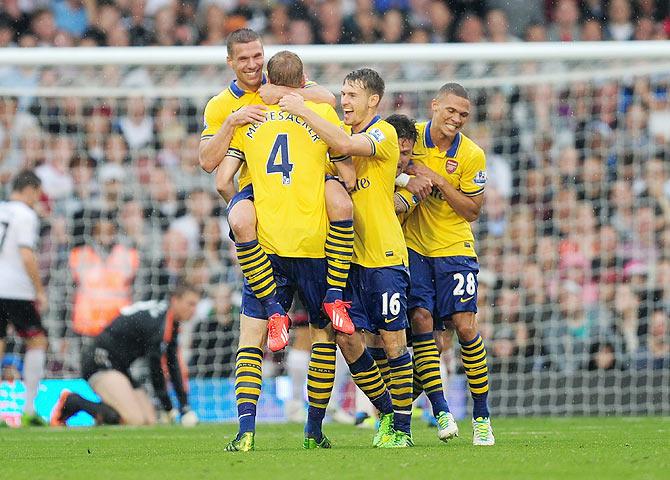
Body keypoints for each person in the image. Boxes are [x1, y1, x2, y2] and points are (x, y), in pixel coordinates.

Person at [219, 51, 395, 452]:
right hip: (317, 246)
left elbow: (222, 179)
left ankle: (245, 432)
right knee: (328, 340)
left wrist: (247, 202)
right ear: (302, 83)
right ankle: (323, 429)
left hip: (267, 249)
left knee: (251, 338)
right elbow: (348, 178)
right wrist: (332, 176)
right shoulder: (321, 116)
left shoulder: (249, 119)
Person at [280, 68, 415, 448]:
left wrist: (303, 108)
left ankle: (401, 429)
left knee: (393, 342)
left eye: (353, 94)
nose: (345, 101)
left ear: (373, 100)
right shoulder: (336, 136)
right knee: (343, 337)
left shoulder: (383, 132)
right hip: (343, 260)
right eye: (342, 94)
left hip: (384, 256)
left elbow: (347, 145)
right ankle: (382, 414)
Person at [199, 28, 356, 352]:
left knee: (331, 336)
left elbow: (328, 98)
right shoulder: (221, 106)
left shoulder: (291, 86)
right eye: (244, 58)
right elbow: (209, 163)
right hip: (262, 190)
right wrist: (232, 121)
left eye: (258, 55)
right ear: (230, 61)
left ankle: (331, 299)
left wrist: (280, 92)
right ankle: (276, 310)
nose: (253, 64)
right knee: (241, 220)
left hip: (305, 190)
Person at [403, 83, 494, 446]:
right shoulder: (409, 137)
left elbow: (473, 210)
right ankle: (441, 410)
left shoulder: (472, 155)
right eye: (451, 111)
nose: (456, 119)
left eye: (463, 115)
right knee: (422, 322)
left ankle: (482, 416)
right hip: (412, 247)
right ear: (435, 105)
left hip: (454, 247)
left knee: (463, 325)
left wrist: (440, 179)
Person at [50, 283, 201, 427]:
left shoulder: (167, 320)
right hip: (100, 360)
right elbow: (156, 370)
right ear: (175, 300)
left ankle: (105, 415)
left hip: (119, 367)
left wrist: (184, 406)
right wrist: (168, 407)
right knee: (133, 419)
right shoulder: (157, 323)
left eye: (196, 305)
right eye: (190, 304)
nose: (193, 310)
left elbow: (172, 365)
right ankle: (72, 401)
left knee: (149, 421)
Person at [0, 170, 48, 426]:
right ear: (29, 190)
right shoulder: (25, 215)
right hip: (16, 289)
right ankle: (29, 408)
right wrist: (39, 290)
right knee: (37, 341)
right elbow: (27, 255)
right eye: (36, 195)